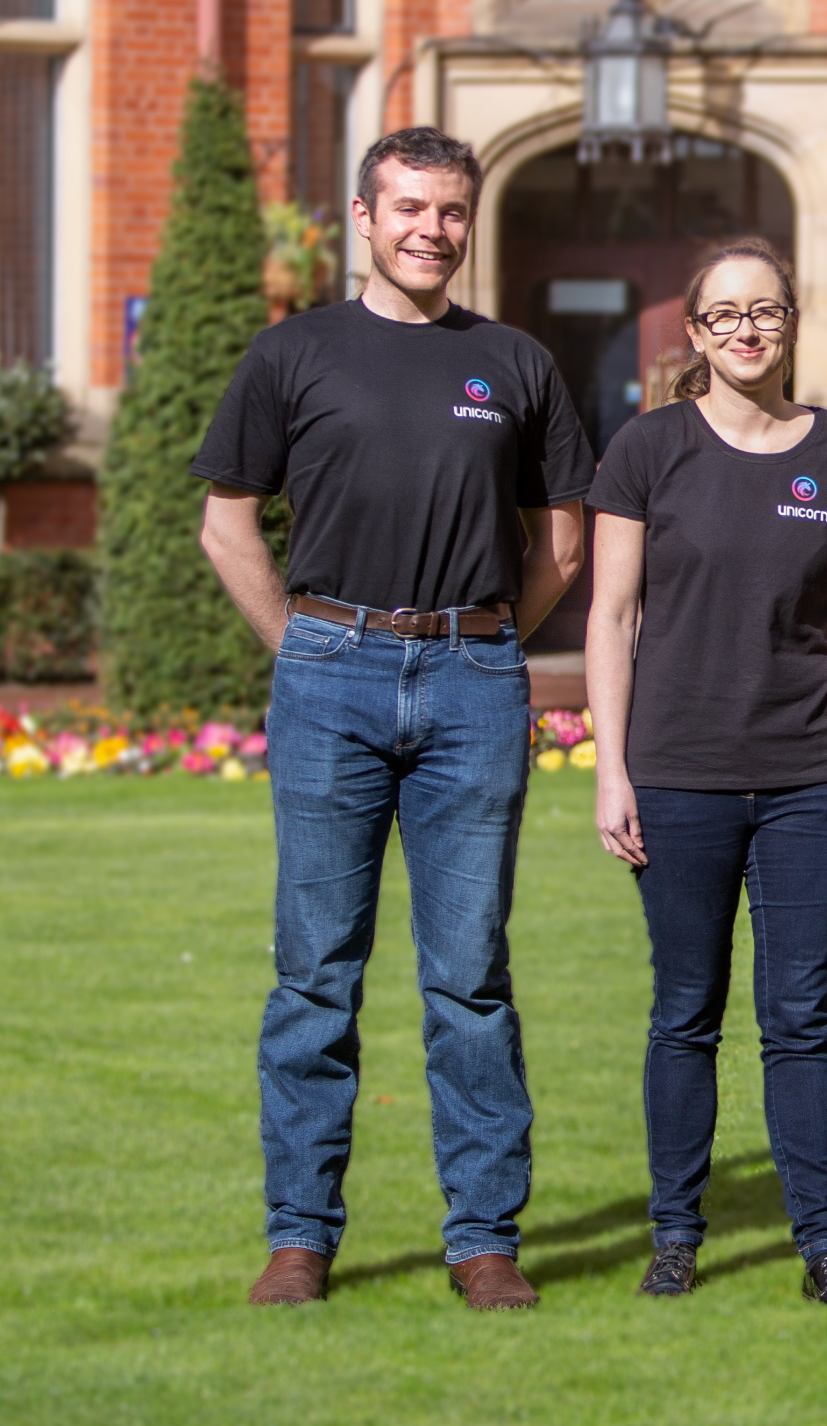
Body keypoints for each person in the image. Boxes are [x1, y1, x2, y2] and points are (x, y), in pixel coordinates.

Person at [194, 126, 592, 1311]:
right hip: (331, 675)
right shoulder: (294, 353)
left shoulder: (516, 363)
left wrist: (478, 652)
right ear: (363, 215)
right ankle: (299, 1238)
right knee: (315, 974)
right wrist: (310, 648)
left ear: (470, 223)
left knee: (469, 977)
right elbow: (228, 525)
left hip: (473, 680)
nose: (432, 229)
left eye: (452, 211)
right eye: (409, 208)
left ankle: (483, 1242)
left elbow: (560, 544)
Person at [585, 237, 827, 1310]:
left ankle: (824, 1248)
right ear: (697, 333)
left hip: (811, 775)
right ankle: (676, 1235)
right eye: (725, 315)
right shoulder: (646, 449)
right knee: (685, 1010)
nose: (748, 330)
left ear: (792, 321)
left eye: (765, 311)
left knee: (798, 1017)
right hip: (676, 774)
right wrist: (610, 769)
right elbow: (612, 614)